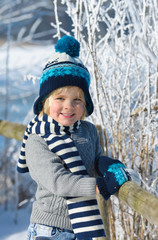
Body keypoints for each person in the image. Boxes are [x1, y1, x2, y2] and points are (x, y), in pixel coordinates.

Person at [17, 35, 133, 240]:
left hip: (80, 230)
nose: (69, 106)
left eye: (77, 100)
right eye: (60, 98)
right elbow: (59, 182)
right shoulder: (38, 138)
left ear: (85, 104)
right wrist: (101, 186)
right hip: (49, 229)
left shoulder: (88, 131)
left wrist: (109, 165)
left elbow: (95, 160)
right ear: (45, 101)